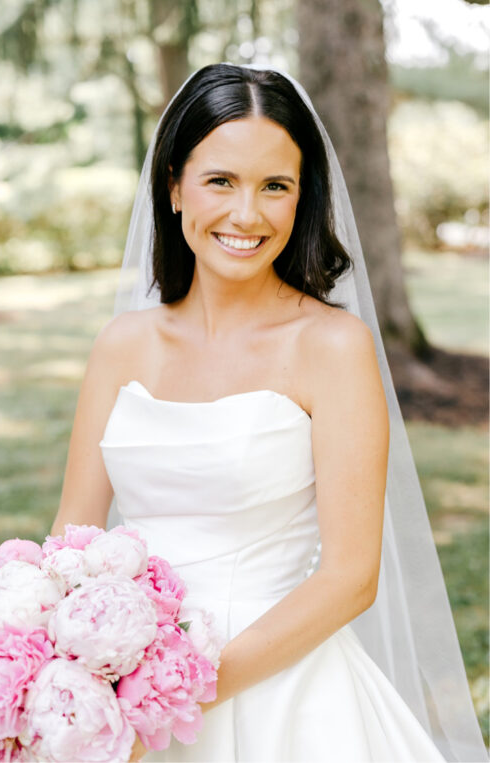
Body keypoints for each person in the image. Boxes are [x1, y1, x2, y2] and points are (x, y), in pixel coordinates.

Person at [51, 64, 485, 761]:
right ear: (172, 186)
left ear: (301, 198)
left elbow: (350, 577)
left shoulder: (332, 346)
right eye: (221, 180)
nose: (247, 215)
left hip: (280, 692)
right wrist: (74, 682)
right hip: (121, 688)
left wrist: (173, 699)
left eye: (274, 186)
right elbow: (70, 542)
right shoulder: (121, 345)